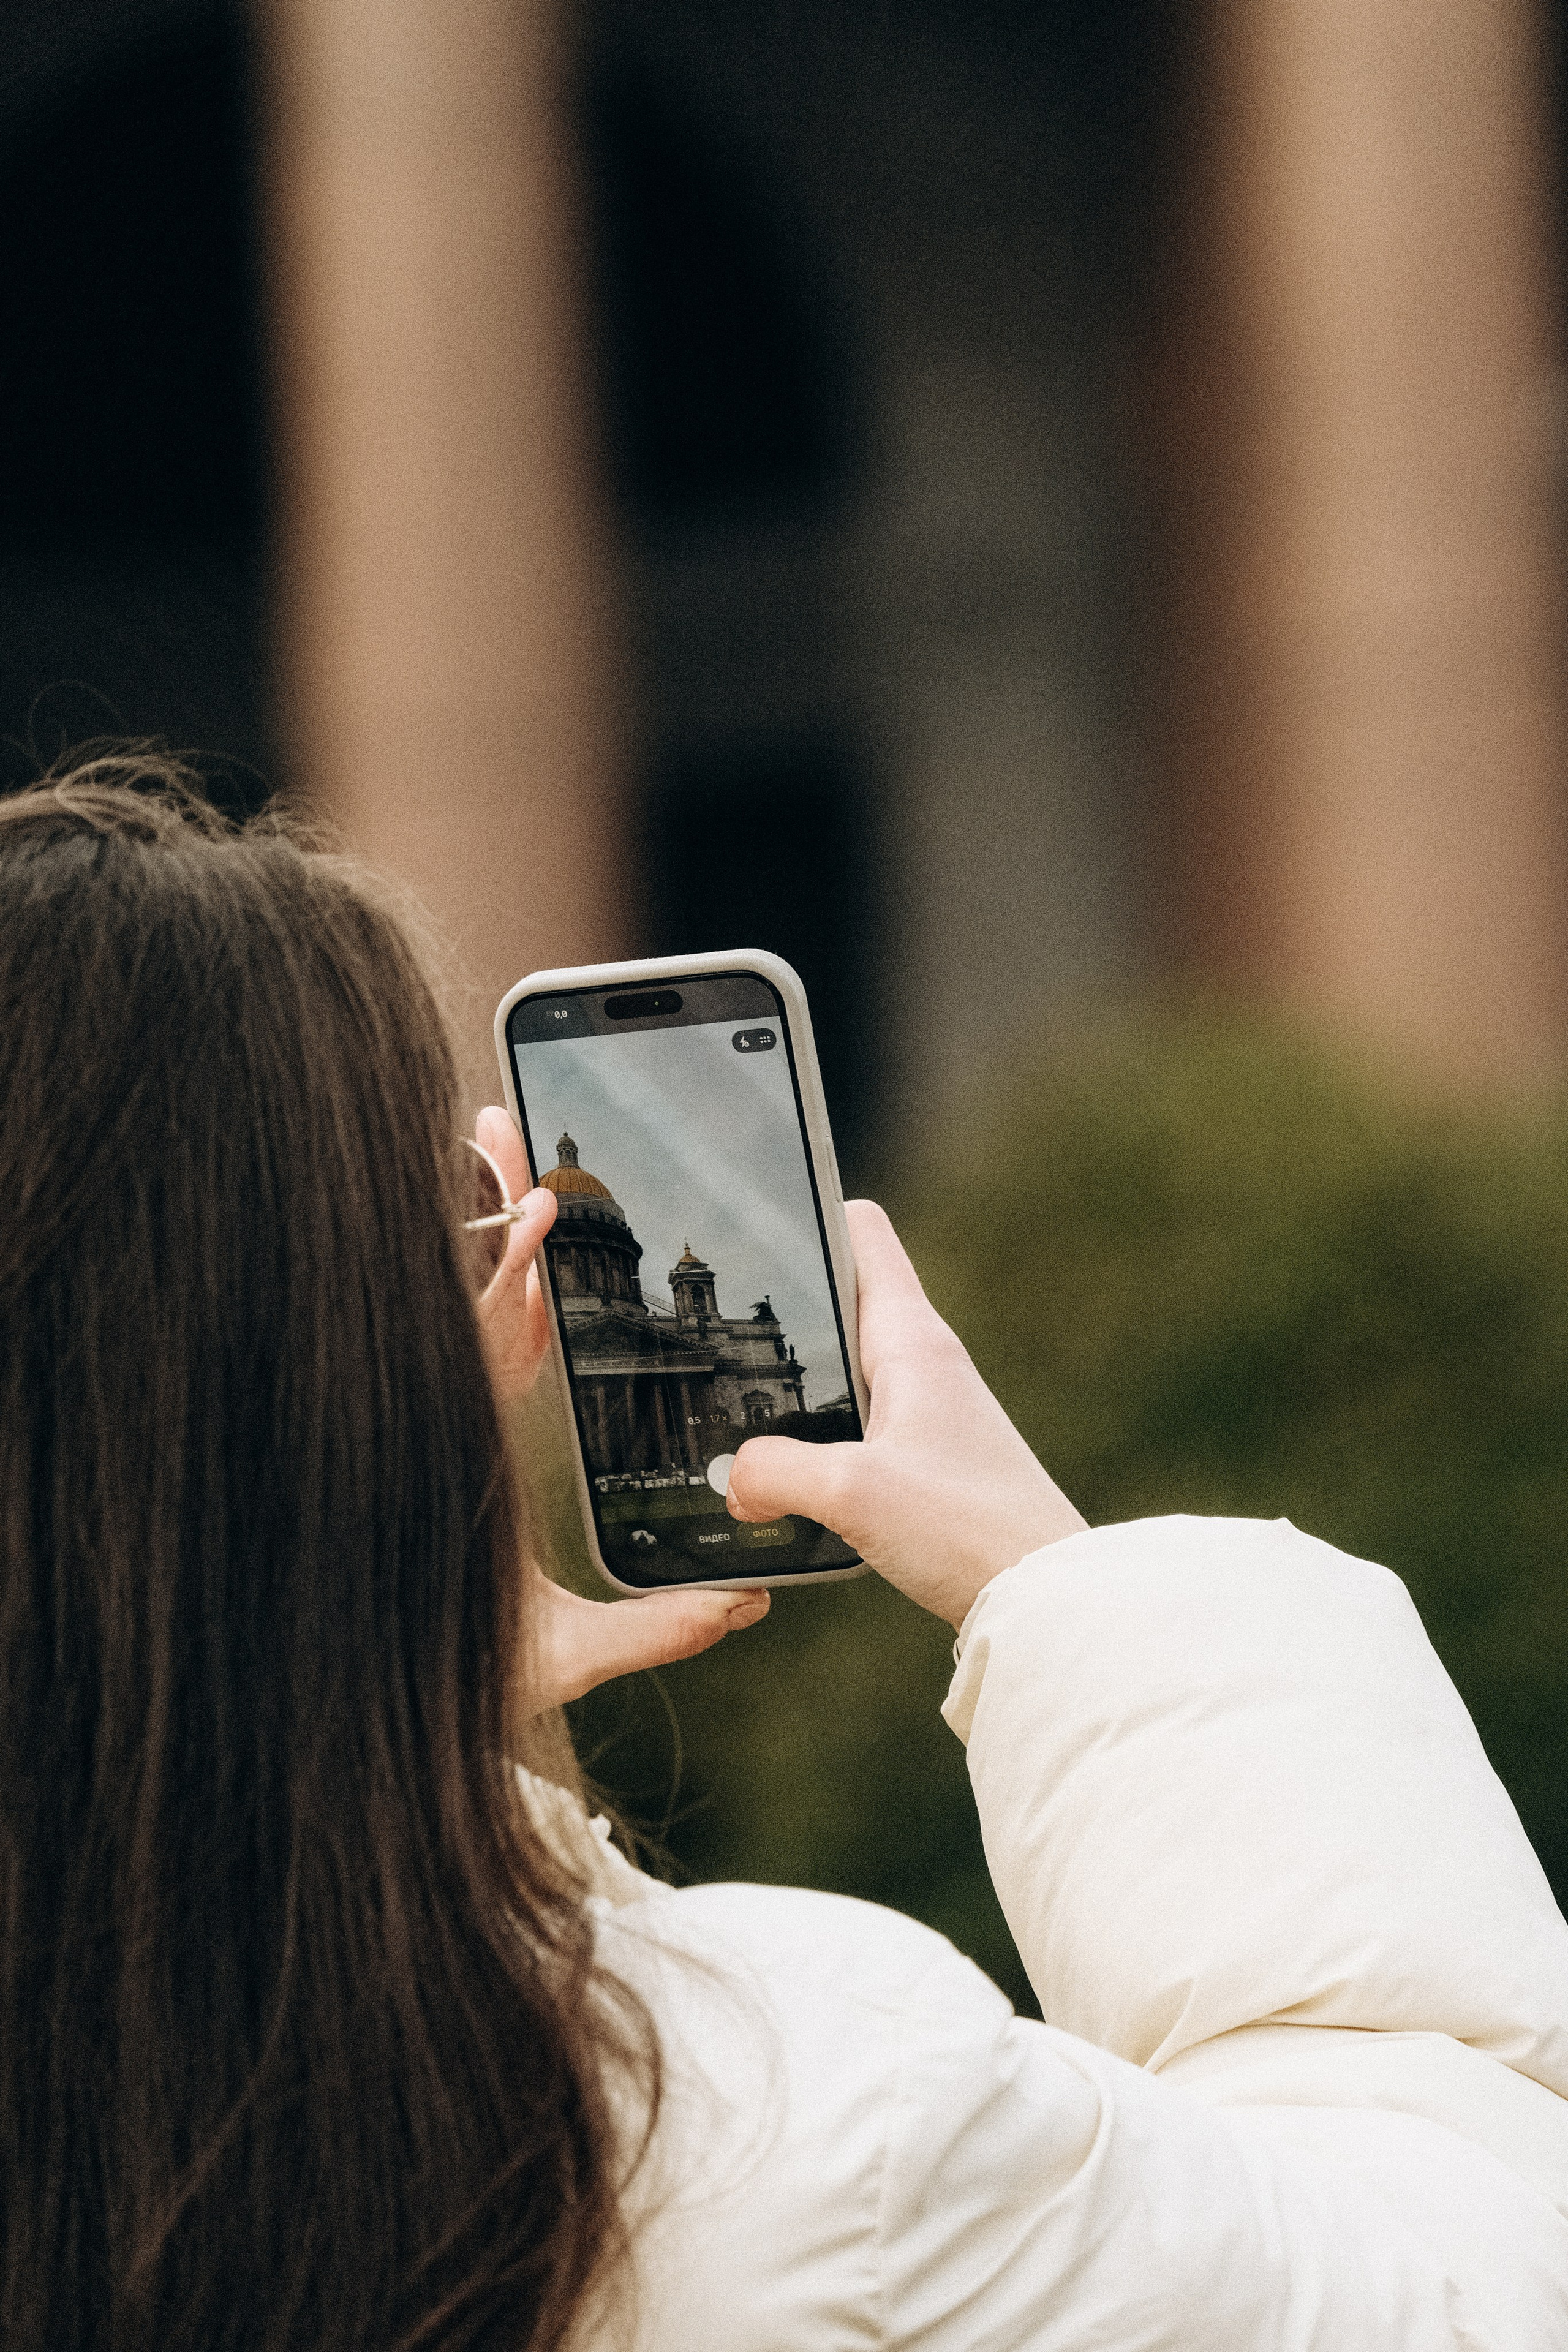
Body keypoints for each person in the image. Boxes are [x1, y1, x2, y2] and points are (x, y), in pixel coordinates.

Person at [2, 759, 1566, 2352]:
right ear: (475, 1339)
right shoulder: (826, 2131)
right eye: (467, 1213)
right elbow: (1477, 2286)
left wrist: (349, 1692)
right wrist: (1064, 1591)